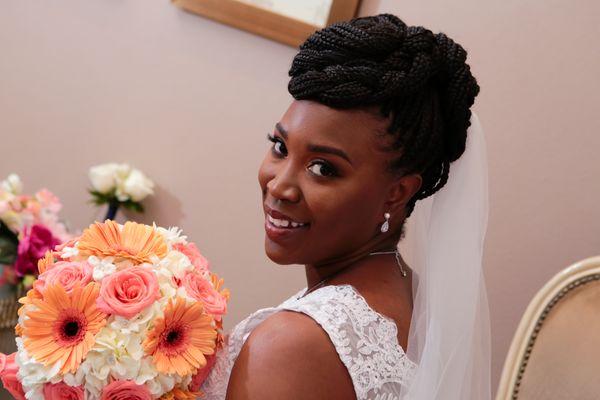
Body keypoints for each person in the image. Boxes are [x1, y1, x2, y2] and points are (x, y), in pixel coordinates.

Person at [202, 13, 490, 400]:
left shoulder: (292, 346)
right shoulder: (417, 303)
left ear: (397, 192)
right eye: (280, 147)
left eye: (323, 168)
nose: (280, 185)